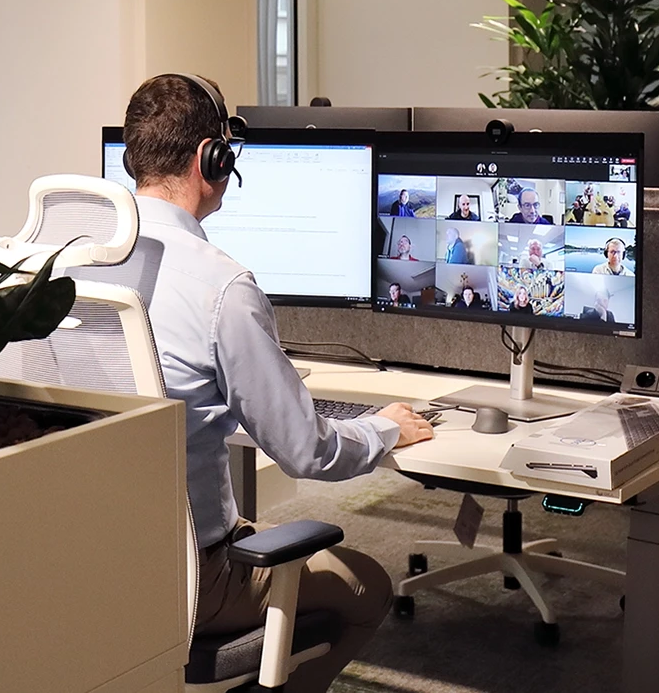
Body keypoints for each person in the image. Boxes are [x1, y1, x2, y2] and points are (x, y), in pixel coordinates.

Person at [123, 74, 433, 693]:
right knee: (367, 585)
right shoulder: (219, 286)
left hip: (83, 560)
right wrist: (384, 428)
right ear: (213, 157)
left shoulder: (55, 263)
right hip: (187, 578)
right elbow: (305, 451)